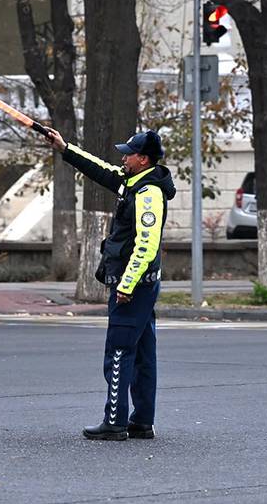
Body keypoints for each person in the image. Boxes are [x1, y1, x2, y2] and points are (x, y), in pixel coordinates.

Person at [45, 128, 175, 441]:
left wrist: (127, 285)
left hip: (134, 286)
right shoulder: (134, 181)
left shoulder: (148, 193)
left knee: (118, 351)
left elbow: (147, 244)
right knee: (143, 353)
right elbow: (100, 170)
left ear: (142, 159)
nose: (123, 158)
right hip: (139, 284)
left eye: (128, 154)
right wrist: (65, 148)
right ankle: (141, 421)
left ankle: (115, 421)